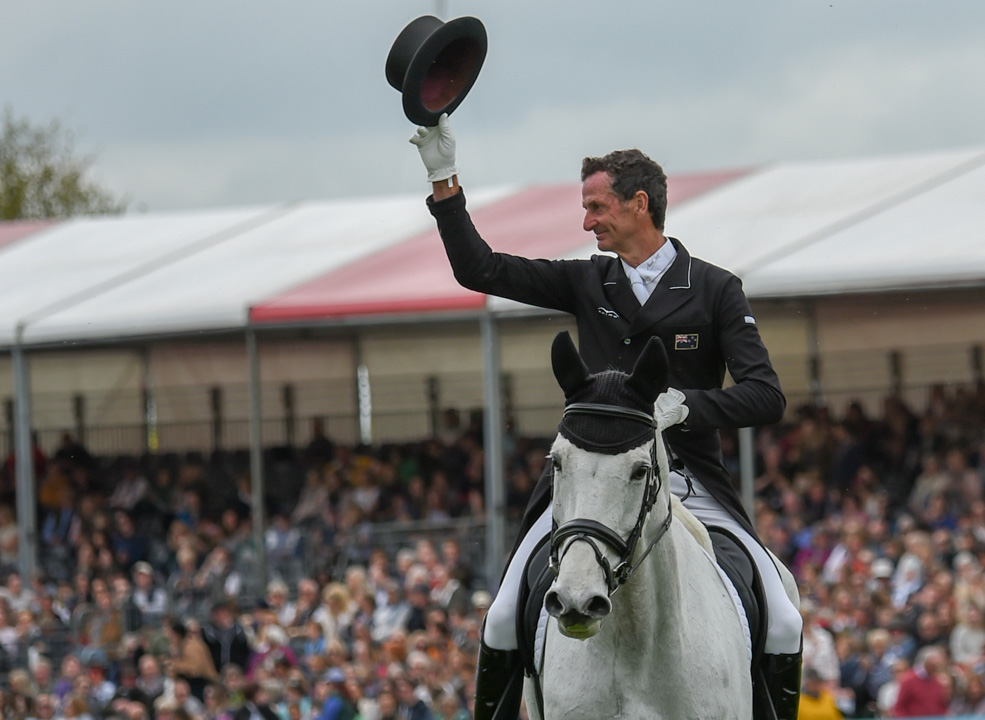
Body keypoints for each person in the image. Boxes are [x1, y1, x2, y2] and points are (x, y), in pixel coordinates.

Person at [410, 113, 802, 719]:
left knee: (780, 616)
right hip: (586, 483)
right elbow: (479, 270)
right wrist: (444, 181)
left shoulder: (716, 289)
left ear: (638, 203)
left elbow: (766, 395)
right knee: (500, 616)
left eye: (596, 206)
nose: (586, 221)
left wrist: (686, 407)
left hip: (686, 479)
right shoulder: (585, 281)